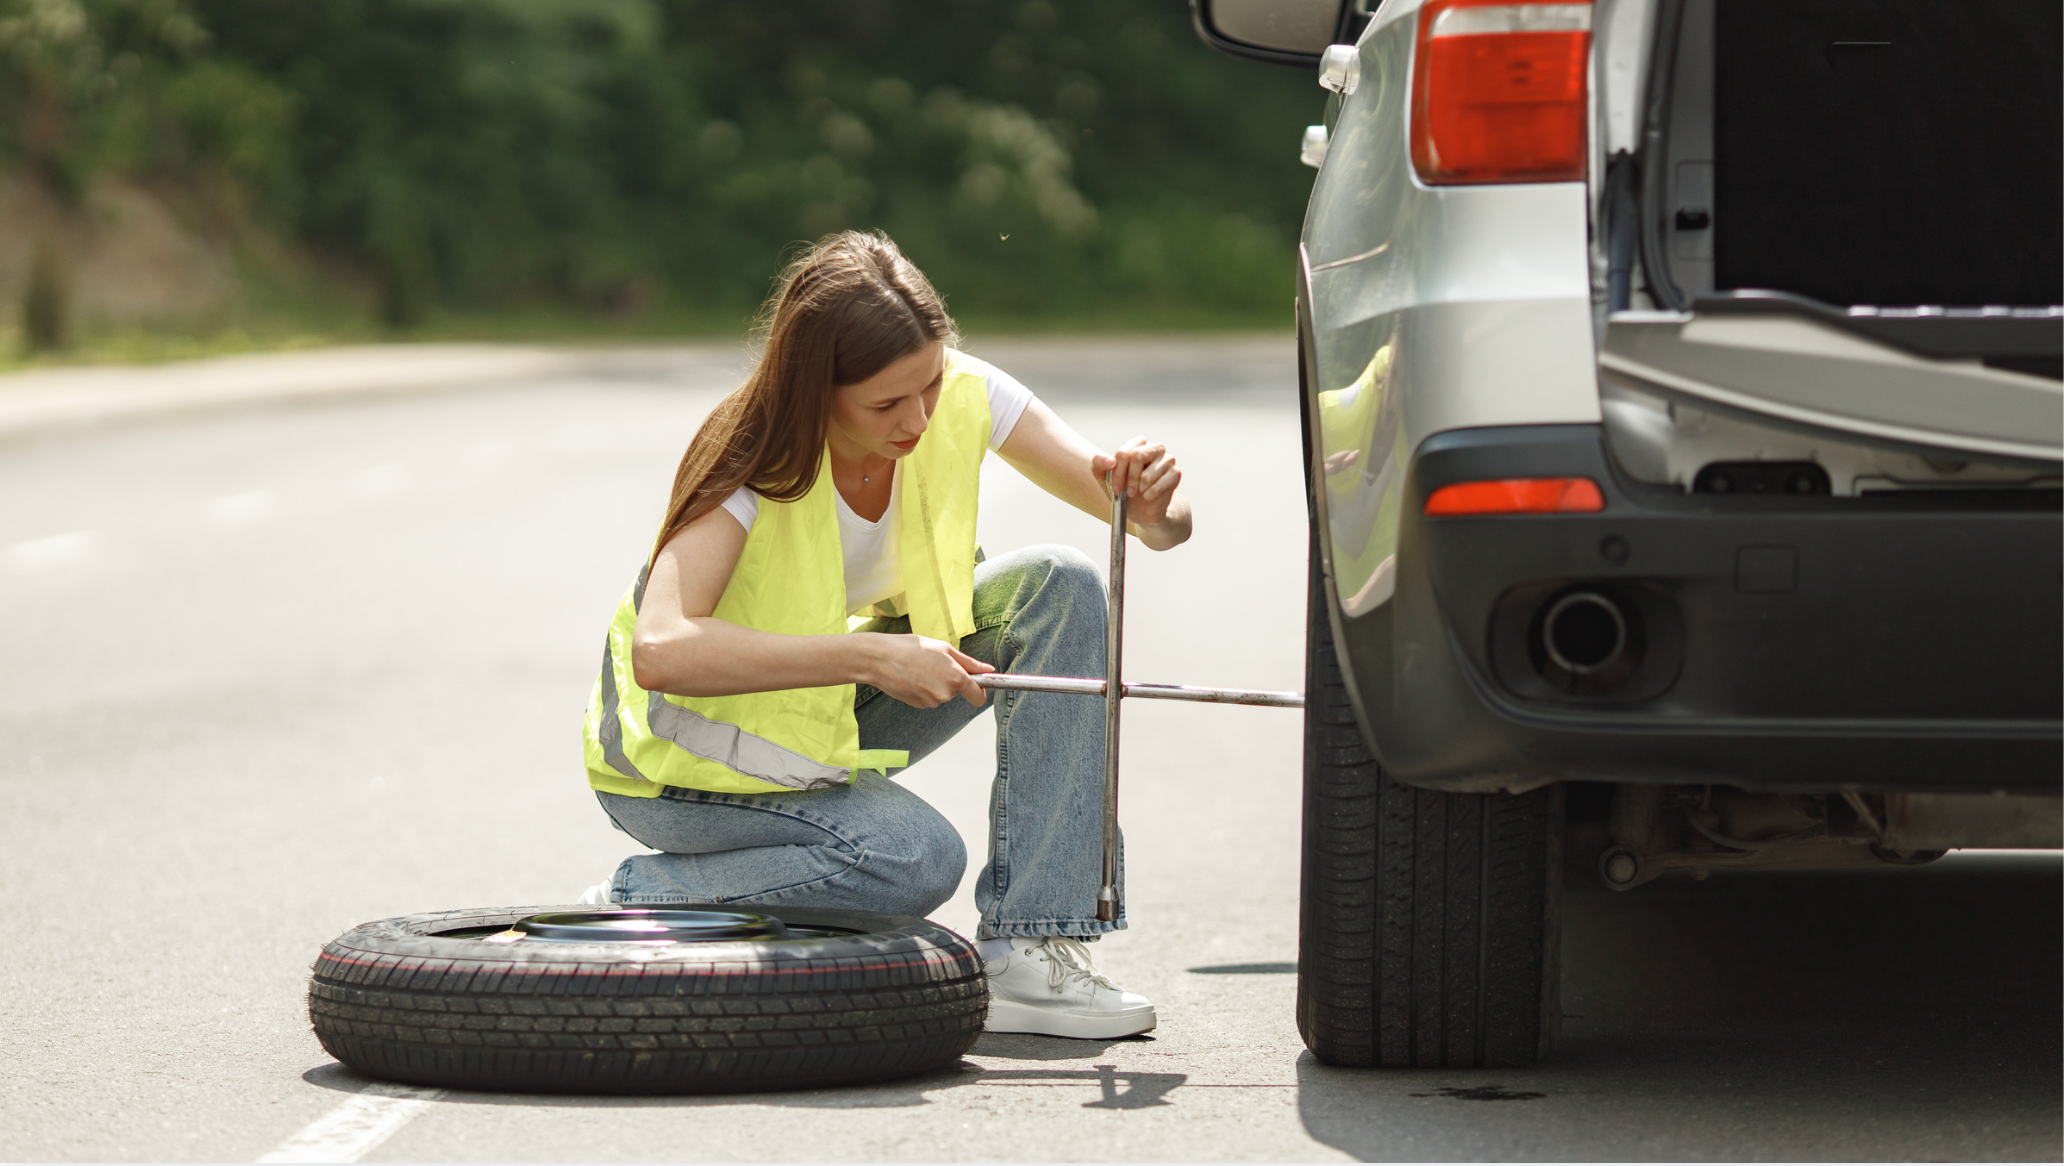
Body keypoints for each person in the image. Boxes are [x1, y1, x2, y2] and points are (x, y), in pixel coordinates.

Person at [578, 230, 1191, 1040]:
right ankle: (638, 893)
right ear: (816, 391)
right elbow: (661, 651)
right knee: (914, 860)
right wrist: (870, 654)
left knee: (1059, 582)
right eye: (886, 404)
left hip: (811, 718)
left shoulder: (960, 395)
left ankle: (1030, 952)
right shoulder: (747, 454)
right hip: (676, 765)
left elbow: (1154, 524)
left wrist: (1148, 506)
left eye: (930, 386)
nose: (919, 418)